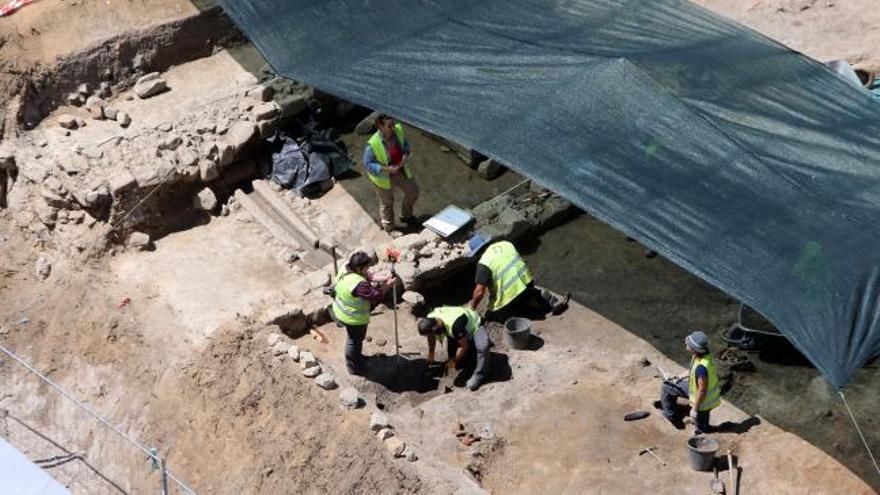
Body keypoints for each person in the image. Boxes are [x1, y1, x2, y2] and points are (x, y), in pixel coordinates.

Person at [467, 233, 568, 322]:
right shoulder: (506, 244)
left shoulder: (484, 262)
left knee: (493, 315)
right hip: (527, 282)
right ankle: (534, 295)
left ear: (477, 252)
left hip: (512, 294)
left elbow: (479, 291)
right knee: (523, 293)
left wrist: (472, 308)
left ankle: (524, 304)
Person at [330, 251, 396, 375]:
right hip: (352, 317)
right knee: (354, 340)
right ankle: (353, 366)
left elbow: (369, 275)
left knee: (354, 339)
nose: (369, 269)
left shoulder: (347, 267)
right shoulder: (359, 285)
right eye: (366, 267)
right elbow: (376, 295)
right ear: (359, 268)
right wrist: (388, 285)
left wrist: (383, 277)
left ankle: (356, 358)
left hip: (341, 307)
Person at [363, 114, 419, 233]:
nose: (393, 127)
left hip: (400, 170)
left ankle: (406, 216)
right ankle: (389, 228)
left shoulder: (398, 130)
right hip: (383, 177)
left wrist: (405, 154)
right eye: (389, 126)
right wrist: (386, 169)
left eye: (393, 124)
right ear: (380, 126)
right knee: (387, 203)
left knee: (413, 192)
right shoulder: (372, 144)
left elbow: (405, 144)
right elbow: (368, 164)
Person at [658, 330, 721, 433]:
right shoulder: (702, 355)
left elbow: (702, 390)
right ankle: (672, 416)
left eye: (688, 343)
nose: (685, 342)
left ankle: (702, 430)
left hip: (703, 401)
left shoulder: (702, 368)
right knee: (667, 387)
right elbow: (692, 370)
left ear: (694, 349)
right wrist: (679, 377)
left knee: (702, 428)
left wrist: (695, 409)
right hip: (698, 392)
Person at [417, 305, 491, 391]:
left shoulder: (455, 326)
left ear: (435, 328)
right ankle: (467, 354)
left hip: (474, 325)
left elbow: (464, 346)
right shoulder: (430, 318)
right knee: (459, 364)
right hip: (458, 329)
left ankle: (481, 374)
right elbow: (431, 337)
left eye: (433, 333)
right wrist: (431, 353)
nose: (432, 336)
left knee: (483, 346)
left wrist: (454, 360)